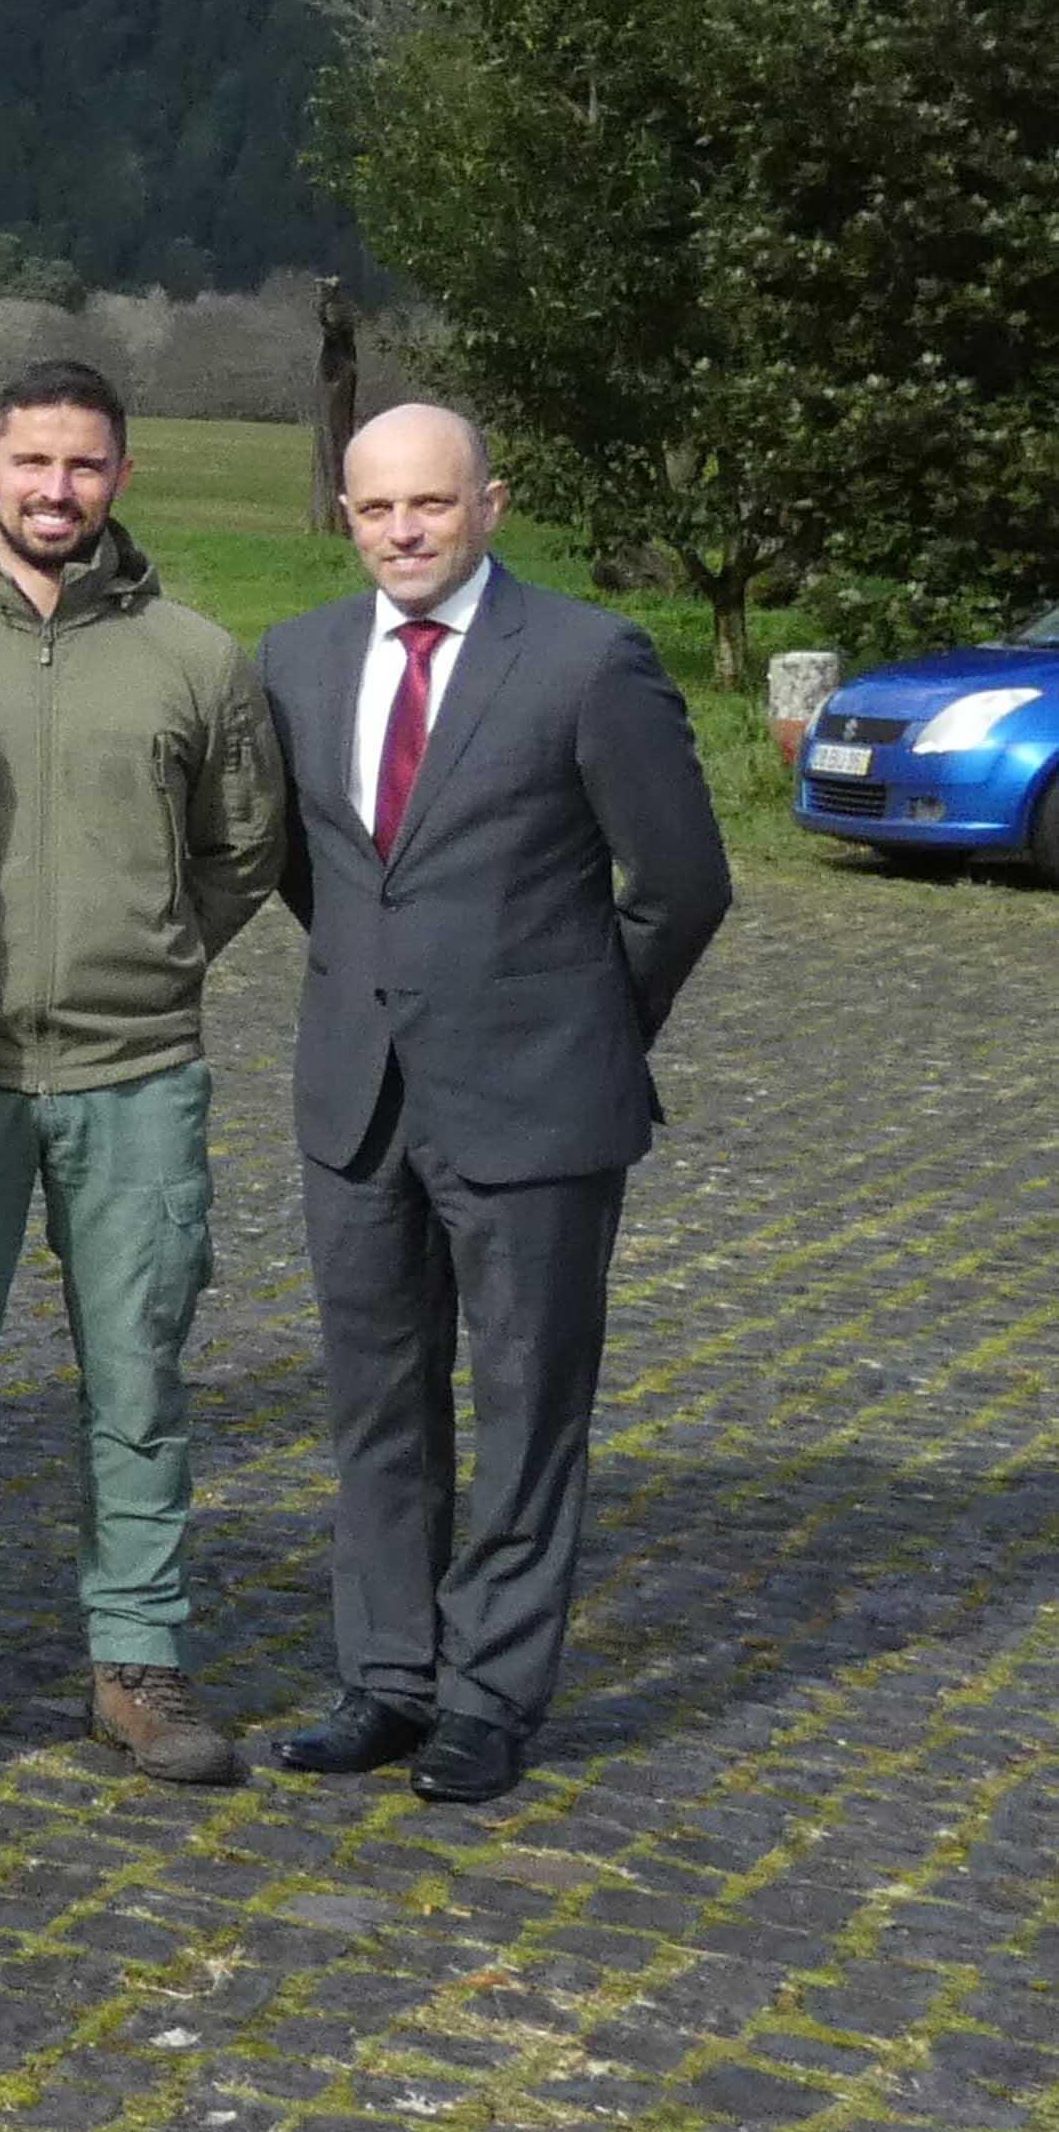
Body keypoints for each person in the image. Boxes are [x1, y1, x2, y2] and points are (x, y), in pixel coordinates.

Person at [256, 402, 728, 1804]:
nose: (402, 530)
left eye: (431, 504)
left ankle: (488, 1694)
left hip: (536, 1101)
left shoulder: (586, 659)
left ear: (488, 503)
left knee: (525, 1405)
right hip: (357, 1095)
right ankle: (386, 1674)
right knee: (375, 1398)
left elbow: (681, 883)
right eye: (373, 507)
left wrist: (579, 1021)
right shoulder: (294, 659)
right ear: (342, 514)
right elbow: (315, 869)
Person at [0, 363, 288, 1784]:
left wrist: (149, 951)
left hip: (134, 1074)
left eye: (86, 466)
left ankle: (138, 1655)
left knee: (138, 1378)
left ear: (122, 475)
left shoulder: (194, 656)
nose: (56, 490)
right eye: (31, 461)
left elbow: (239, 853)